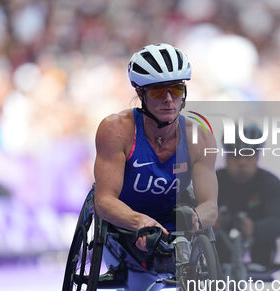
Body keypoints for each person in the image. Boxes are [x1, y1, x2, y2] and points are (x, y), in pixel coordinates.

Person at [93, 43, 217, 272]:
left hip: (175, 224)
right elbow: (104, 201)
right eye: (159, 92)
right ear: (141, 93)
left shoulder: (199, 137)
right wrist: (139, 221)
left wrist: (197, 218)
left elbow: (210, 205)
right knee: (149, 248)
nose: (169, 99)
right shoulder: (115, 129)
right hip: (125, 223)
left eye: (177, 90)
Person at [216, 124, 280, 269]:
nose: (242, 162)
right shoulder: (214, 181)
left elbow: (278, 221)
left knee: (267, 228)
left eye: (248, 155)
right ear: (226, 157)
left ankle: (260, 261)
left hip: (259, 241)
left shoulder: (271, 183)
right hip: (221, 240)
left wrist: (255, 228)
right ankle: (221, 261)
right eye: (236, 156)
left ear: (257, 157)